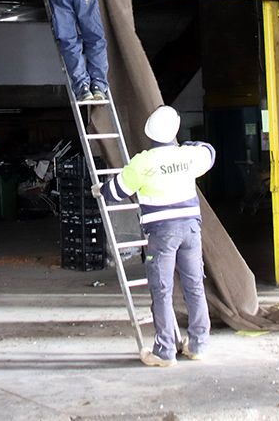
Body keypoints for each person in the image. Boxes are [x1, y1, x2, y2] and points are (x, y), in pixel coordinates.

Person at [94, 106, 215, 367]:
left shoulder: (142, 162)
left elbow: (115, 191)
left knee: (162, 290)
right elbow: (209, 153)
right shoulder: (189, 155)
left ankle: (164, 351)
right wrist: (189, 145)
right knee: (194, 286)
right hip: (191, 229)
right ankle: (198, 345)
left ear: (149, 132)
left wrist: (100, 190)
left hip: (162, 233)